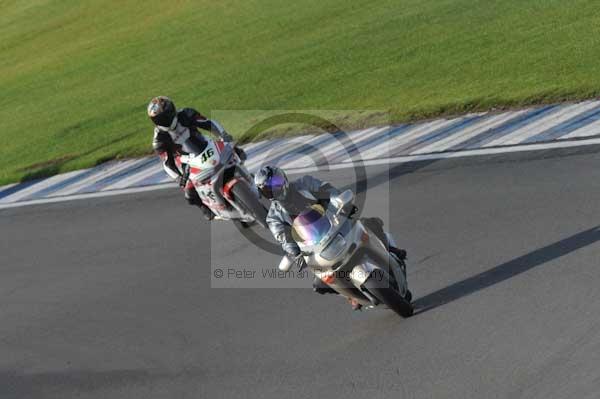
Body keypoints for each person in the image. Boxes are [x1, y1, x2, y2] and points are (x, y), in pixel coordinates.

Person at [254, 165, 407, 310]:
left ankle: (391, 250)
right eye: (268, 190)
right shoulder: (274, 218)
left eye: (276, 182)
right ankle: (350, 295)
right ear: (264, 195)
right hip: (316, 247)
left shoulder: (304, 183)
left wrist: (342, 203)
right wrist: (295, 254)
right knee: (319, 284)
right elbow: (284, 238)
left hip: (337, 224)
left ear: (283, 177)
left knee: (371, 223)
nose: (275, 189)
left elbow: (328, 191)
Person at [147, 96, 246, 220]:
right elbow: (167, 163)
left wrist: (223, 135)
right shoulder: (158, 140)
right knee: (190, 193)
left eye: (166, 115)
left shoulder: (186, 114)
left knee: (234, 149)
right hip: (186, 161)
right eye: (160, 118)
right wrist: (179, 179)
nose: (165, 119)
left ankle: (245, 173)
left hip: (204, 144)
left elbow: (209, 123)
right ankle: (208, 211)